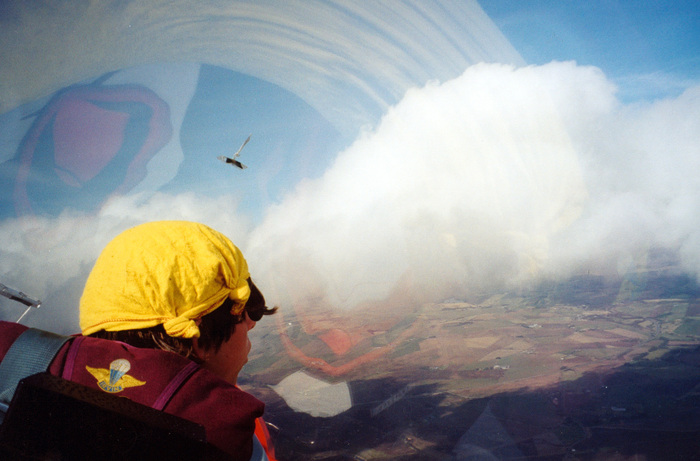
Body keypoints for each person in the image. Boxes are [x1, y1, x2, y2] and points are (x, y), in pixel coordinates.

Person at [0, 220, 277, 460]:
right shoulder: (227, 436)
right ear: (200, 341)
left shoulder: (21, 369)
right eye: (242, 312)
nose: (252, 321)